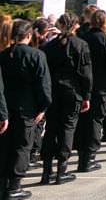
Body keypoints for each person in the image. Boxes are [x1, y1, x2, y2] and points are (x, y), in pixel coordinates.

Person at [0, 20, 51, 200]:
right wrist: (43, 106)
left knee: (6, 146)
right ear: (29, 35)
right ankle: (14, 186)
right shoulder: (36, 55)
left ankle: (4, 184)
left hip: (7, 106)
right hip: (27, 108)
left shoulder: (4, 55)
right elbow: (44, 84)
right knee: (22, 146)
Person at [39, 14, 91, 186]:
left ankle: (47, 171)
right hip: (72, 92)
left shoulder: (49, 46)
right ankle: (61, 170)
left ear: (59, 25)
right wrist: (86, 95)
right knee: (68, 129)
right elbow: (85, 74)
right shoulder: (80, 45)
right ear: (75, 26)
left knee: (51, 129)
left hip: (53, 91)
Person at [74, 9, 106, 173]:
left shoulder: (82, 38)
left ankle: (82, 156)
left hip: (82, 87)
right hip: (102, 87)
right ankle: (89, 158)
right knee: (95, 122)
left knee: (83, 123)